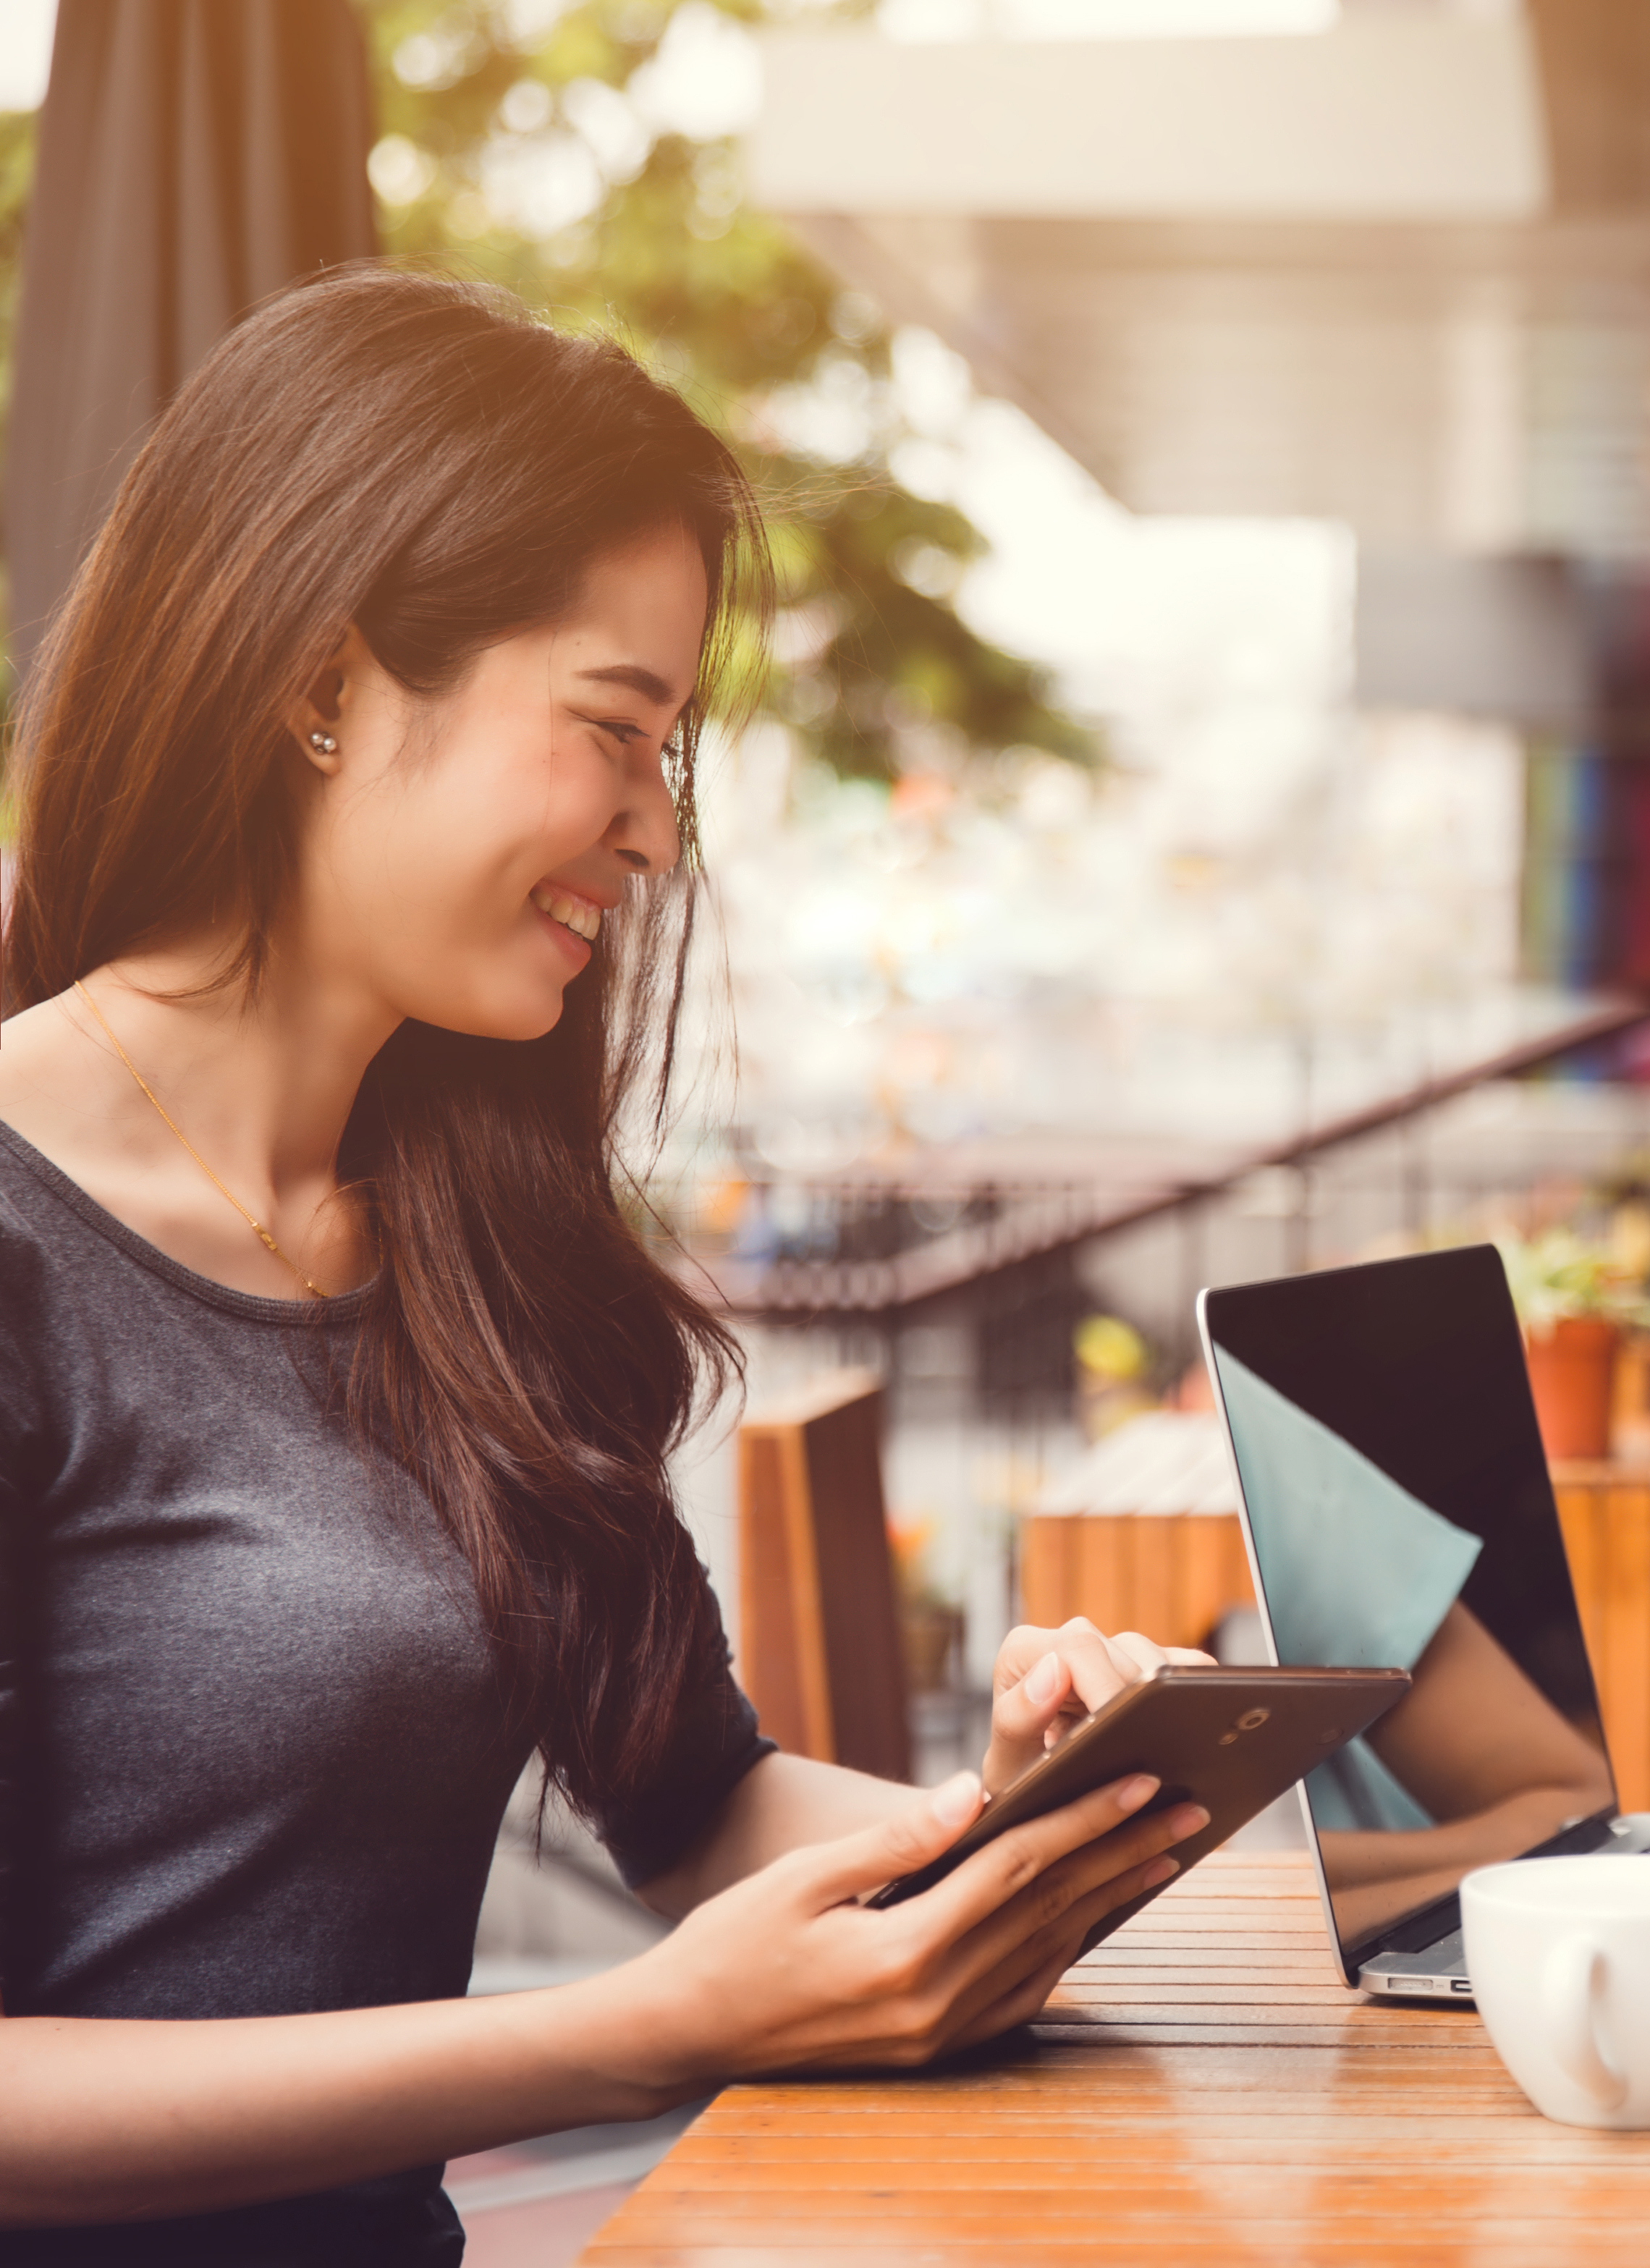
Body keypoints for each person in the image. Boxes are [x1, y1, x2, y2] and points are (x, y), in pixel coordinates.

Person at [0, 268, 1202, 2261]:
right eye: (611, 732)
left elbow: (697, 1803)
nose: (653, 833)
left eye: (673, 755)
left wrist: (1015, 1825)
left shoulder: (473, 1234)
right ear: (324, 681)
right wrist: (611, 2037)